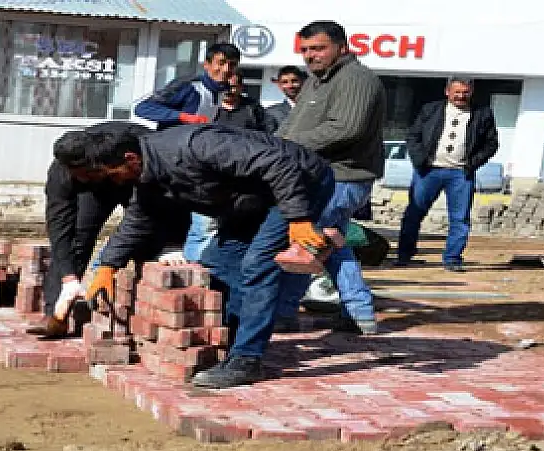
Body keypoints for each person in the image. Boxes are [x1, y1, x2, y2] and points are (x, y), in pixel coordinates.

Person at [70, 124, 336, 389]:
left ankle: (247, 359)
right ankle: (231, 343)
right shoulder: (147, 175)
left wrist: (298, 218)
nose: (114, 182)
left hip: (300, 183)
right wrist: (107, 266)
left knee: (259, 264)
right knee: (219, 263)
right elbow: (139, 219)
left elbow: (279, 163)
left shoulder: (196, 145)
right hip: (251, 199)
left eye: (112, 175)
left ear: (130, 159)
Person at [277, 20, 384, 336]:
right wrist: (270, 147)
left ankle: (283, 313)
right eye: (306, 50)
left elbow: (346, 129)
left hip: (344, 177)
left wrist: (288, 147)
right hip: (319, 176)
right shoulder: (315, 81)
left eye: (319, 48)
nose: (311, 55)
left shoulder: (356, 79)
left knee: (308, 242)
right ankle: (359, 313)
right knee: (327, 243)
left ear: (342, 47)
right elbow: (291, 127)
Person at [27, 122, 162, 338]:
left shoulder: (127, 148)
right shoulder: (62, 173)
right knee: (78, 239)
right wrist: (69, 278)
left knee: (147, 235)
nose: (80, 179)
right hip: (99, 191)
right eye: (77, 176)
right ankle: (55, 313)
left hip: (137, 179)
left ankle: (148, 314)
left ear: (95, 165)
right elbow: (59, 227)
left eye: (85, 174)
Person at [135, 43, 242, 263]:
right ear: (207, 65)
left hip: (192, 159)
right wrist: (184, 117)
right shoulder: (189, 86)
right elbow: (143, 108)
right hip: (166, 155)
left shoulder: (221, 94)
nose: (225, 70)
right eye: (220, 64)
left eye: (231, 65)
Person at [397, 77, 499, 271]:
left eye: (465, 92)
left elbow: (491, 143)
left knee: (459, 219)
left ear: (471, 92)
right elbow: (413, 136)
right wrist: (420, 160)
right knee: (414, 213)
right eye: (457, 92)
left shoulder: (482, 114)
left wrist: (473, 163)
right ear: (447, 91)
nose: (461, 96)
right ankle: (404, 256)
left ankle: (452, 259)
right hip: (428, 172)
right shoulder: (430, 110)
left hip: (460, 174)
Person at [265, 65, 306, 133]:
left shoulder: (316, 108)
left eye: (294, 81)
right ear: (280, 86)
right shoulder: (271, 113)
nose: (290, 85)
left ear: (303, 82)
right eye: (285, 82)